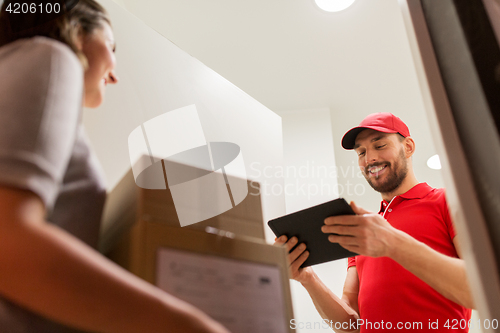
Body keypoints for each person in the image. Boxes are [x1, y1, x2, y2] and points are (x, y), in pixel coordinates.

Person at [0, 1, 230, 332]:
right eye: (110, 46)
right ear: (76, 30)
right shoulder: (52, 56)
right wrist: (187, 324)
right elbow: (8, 241)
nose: (115, 75)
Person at [275, 113, 473, 332]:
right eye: (361, 152)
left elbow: (482, 289)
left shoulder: (447, 201)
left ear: (408, 147)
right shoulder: (364, 231)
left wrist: (392, 242)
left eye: (379, 145)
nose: (369, 158)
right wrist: (307, 278)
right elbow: (350, 324)